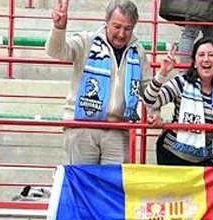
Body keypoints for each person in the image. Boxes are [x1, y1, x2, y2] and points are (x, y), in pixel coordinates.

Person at [46, 0, 150, 164]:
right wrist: (59, 28)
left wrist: (155, 111)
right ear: (106, 21)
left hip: (118, 130)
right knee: (83, 187)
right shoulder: (86, 41)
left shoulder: (139, 52)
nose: (121, 34)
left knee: (113, 188)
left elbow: (146, 88)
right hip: (81, 127)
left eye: (127, 28)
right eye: (117, 27)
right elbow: (56, 51)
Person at [142, 38, 213, 166]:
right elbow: (150, 100)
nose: (206, 59)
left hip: (207, 160)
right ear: (194, 62)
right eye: (201, 55)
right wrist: (162, 73)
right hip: (172, 154)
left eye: (211, 55)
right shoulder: (181, 83)